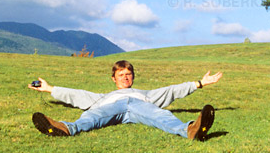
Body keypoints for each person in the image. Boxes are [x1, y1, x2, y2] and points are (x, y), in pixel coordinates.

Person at [28, 60, 222, 141]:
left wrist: (199, 83)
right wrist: (50, 89)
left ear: (133, 77)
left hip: (140, 106)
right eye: (121, 75)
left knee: (160, 114)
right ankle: (66, 129)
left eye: (128, 74)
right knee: (92, 116)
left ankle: (190, 130)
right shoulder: (103, 97)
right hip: (109, 107)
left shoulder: (145, 94)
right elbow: (77, 95)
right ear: (114, 78)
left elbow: (171, 91)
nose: (125, 77)